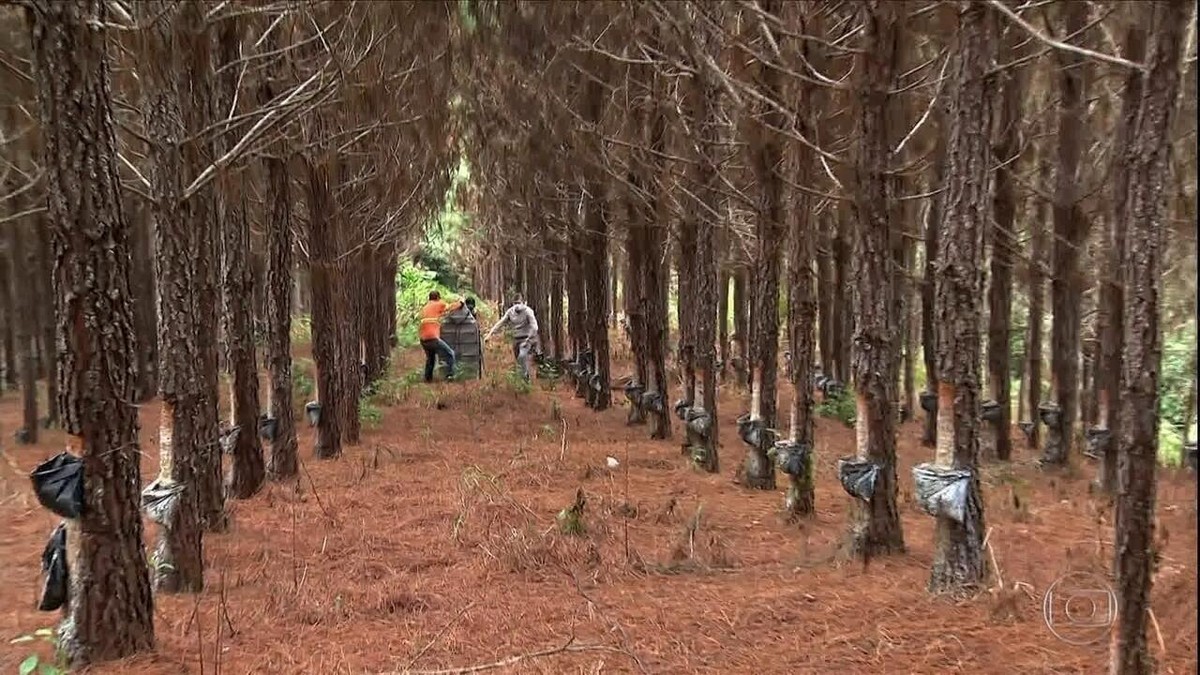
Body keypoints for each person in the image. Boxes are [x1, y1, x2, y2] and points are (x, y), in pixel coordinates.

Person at [484, 297, 541, 381]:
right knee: (518, 359)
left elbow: (535, 327)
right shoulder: (510, 312)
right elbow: (500, 323)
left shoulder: (528, 311)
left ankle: (524, 379)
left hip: (527, 339)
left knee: (522, 356)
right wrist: (489, 334)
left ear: (523, 303)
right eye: (515, 303)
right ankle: (524, 377)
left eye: (519, 303)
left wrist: (528, 339)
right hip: (516, 339)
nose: (517, 305)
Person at [419, 290, 462, 383]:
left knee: (430, 358)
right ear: (438, 298)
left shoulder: (425, 307)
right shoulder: (439, 304)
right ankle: (450, 376)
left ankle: (428, 379)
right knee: (450, 354)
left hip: (423, 339)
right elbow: (450, 307)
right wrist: (461, 302)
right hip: (432, 337)